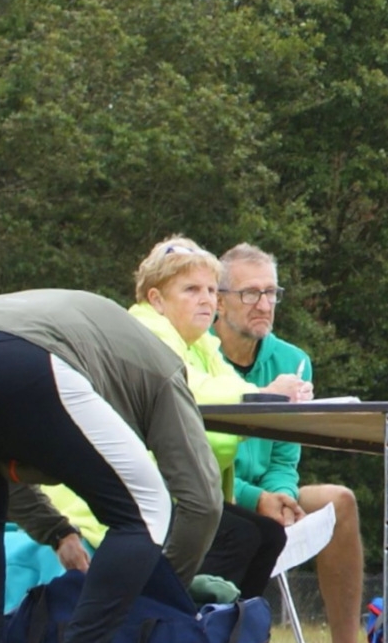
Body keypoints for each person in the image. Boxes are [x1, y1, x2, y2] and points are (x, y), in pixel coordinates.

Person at [0, 289, 224, 643]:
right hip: (32, 357)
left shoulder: (104, 346)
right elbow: (201, 502)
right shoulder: (166, 372)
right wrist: (154, 597)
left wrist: (57, 532)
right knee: (148, 508)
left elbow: (3, 459)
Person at [213, 243, 367, 643]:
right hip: (214, 493)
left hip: (267, 493)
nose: (264, 304)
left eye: (271, 292)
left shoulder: (293, 359)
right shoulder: (197, 355)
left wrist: (279, 494)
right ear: (219, 301)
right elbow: (196, 457)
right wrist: (254, 497)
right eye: (249, 294)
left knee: (341, 502)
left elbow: (285, 455)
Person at [128, 237, 312, 597]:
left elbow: (233, 393)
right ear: (156, 299)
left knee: (268, 534)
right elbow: (189, 392)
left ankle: (234, 639)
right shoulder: (148, 333)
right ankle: (187, 631)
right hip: (137, 493)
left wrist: (280, 494)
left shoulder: (201, 343)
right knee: (240, 535)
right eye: (192, 289)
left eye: (211, 290)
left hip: (183, 490)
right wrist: (264, 396)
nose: (206, 300)